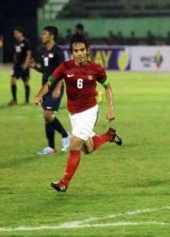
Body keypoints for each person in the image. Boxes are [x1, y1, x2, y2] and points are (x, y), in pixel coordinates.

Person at [33, 33, 123, 192]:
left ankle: (64, 183)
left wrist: (110, 108)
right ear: (72, 52)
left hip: (89, 111)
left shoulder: (96, 69)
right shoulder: (65, 67)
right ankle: (109, 135)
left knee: (74, 145)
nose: (80, 53)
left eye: (82, 49)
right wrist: (40, 94)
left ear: (87, 50)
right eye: (76, 50)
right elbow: (50, 83)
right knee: (87, 148)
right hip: (73, 113)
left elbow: (107, 87)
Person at [31, 26, 70, 155]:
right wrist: (35, 67)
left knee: (48, 114)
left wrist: (58, 88)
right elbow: (44, 69)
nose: (42, 36)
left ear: (52, 36)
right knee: (47, 117)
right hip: (45, 88)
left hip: (55, 87)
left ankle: (65, 135)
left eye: (45, 34)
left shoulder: (58, 52)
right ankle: (51, 147)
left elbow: (62, 72)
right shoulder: (42, 51)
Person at [8, 27, 32, 106]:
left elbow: (29, 54)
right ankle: (14, 100)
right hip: (17, 66)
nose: (15, 35)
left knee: (26, 83)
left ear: (21, 33)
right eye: (14, 33)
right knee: (13, 80)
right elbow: (16, 53)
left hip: (24, 65)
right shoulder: (15, 43)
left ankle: (27, 101)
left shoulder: (26, 42)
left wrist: (26, 63)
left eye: (16, 33)